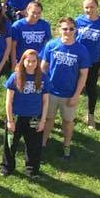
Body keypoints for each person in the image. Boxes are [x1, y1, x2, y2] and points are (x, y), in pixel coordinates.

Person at [40, 17, 90, 159]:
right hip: (51, 91)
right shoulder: (51, 45)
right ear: (59, 30)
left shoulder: (81, 50)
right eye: (65, 28)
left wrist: (76, 95)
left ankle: (66, 146)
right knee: (48, 119)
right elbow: (43, 67)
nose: (68, 31)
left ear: (76, 30)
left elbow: (83, 75)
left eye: (71, 29)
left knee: (68, 122)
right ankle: (43, 143)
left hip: (69, 94)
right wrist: (43, 87)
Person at [0, 49, 49, 178]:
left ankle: (32, 170)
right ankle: (7, 167)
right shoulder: (15, 76)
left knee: (34, 145)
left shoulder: (43, 77)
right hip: (16, 116)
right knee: (10, 143)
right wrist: (10, 120)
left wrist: (43, 120)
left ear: (38, 62)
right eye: (28, 61)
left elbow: (45, 101)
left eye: (34, 61)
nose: (31, 64)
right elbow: (9, 101)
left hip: (34, 117)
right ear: (23, 61)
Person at [75, 0, 100, 129]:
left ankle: (90, 116)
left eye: (91, 7)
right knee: (74, 88)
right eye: (86, 7)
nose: (89, 10)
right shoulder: (78, 21)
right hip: (77, 63)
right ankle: (70, 113)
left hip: (93, 63)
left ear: (97, 7)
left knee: (91, 90)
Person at [9, 1, 51, 70]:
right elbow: (13, 46)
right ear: (27, 11)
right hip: (22, 61)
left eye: (38, 13)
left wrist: (44, 60)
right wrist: (14, 64)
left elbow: (47, 44)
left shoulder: (45, 25)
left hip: (38, 61)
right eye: (33, 12)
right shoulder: (18, 25)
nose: (36, 15)